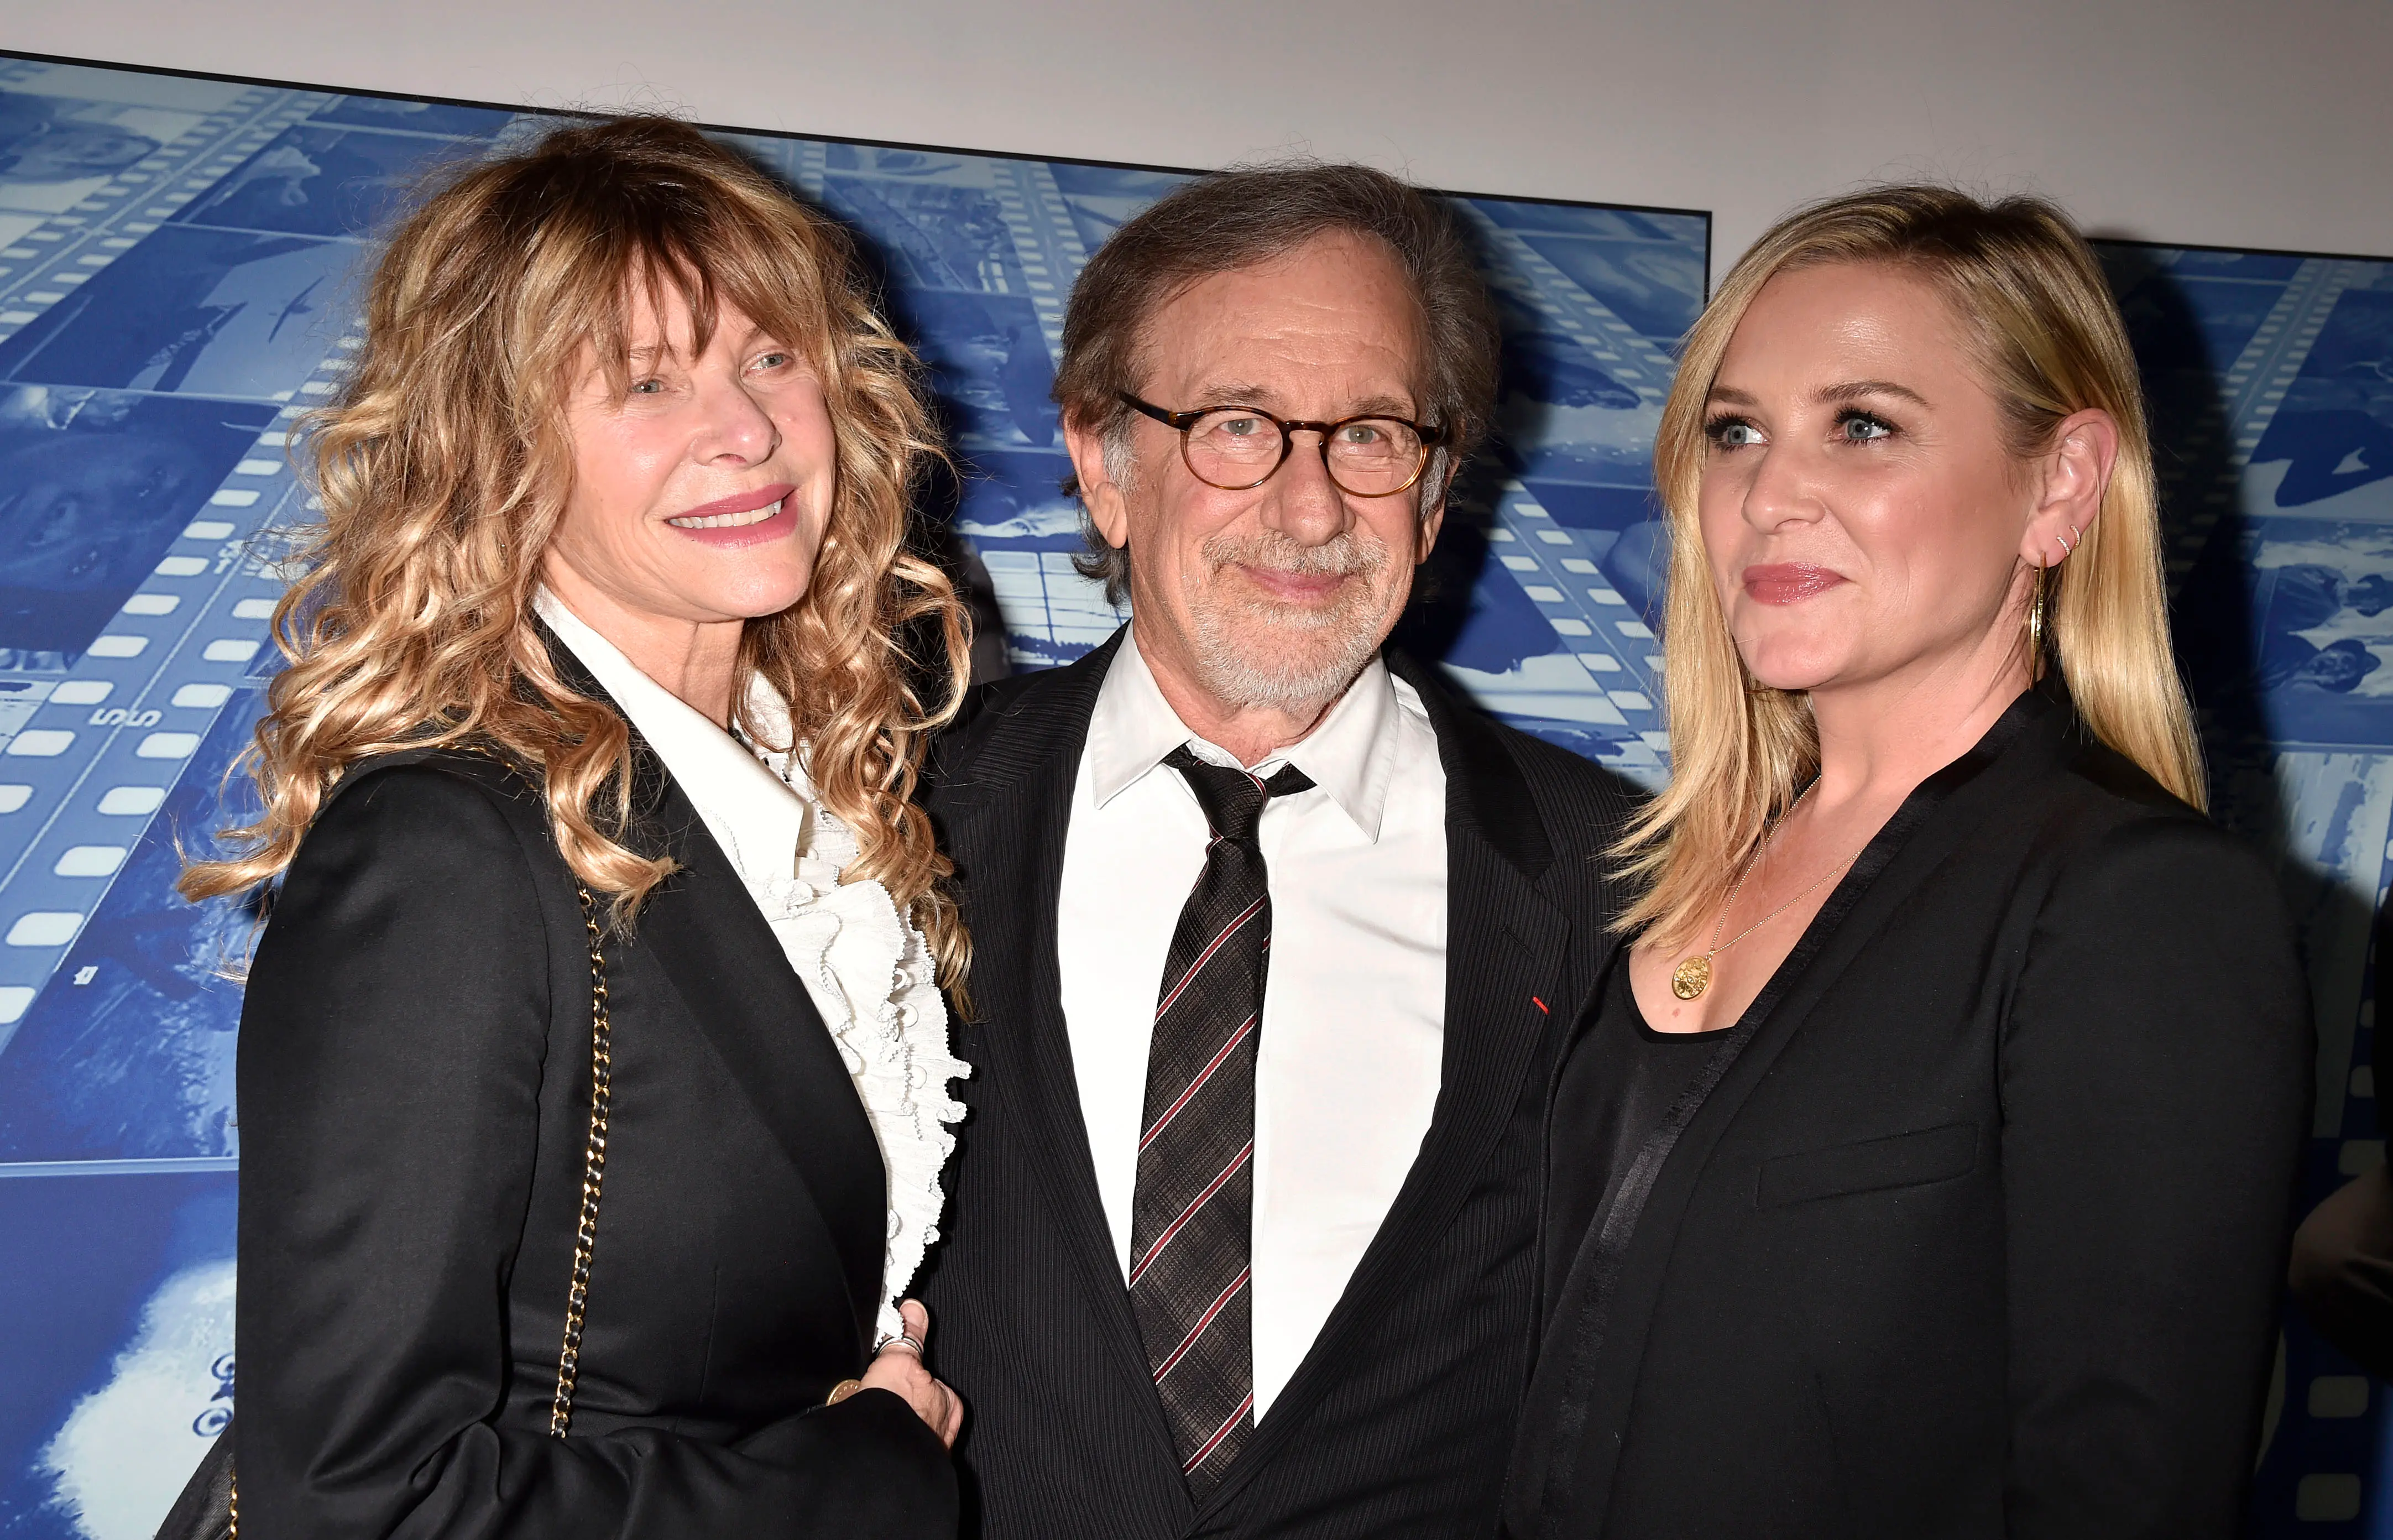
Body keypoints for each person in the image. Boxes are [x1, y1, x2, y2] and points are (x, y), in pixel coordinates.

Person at [177, 117, 970, 1536]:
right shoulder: (447, 847)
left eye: (771, 356)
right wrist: (864, 1479)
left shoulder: (815, 787)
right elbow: (361, 1502)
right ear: (498, 451)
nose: (747, 431)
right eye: (647, 382)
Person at [1503, 187, 2314, 1538]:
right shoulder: (1668, 875)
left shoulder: (2135, 906)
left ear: (2058, 485)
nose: (1769, 494)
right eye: (1735, 432)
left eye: (1863, 427)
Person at [915, 164, 1637, 1539]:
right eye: (1236, 426)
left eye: (1369, 435)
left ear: (1434, 487)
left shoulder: (1619, 886)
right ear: (1101, 462)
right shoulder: (887, 817)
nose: (1309, 513)